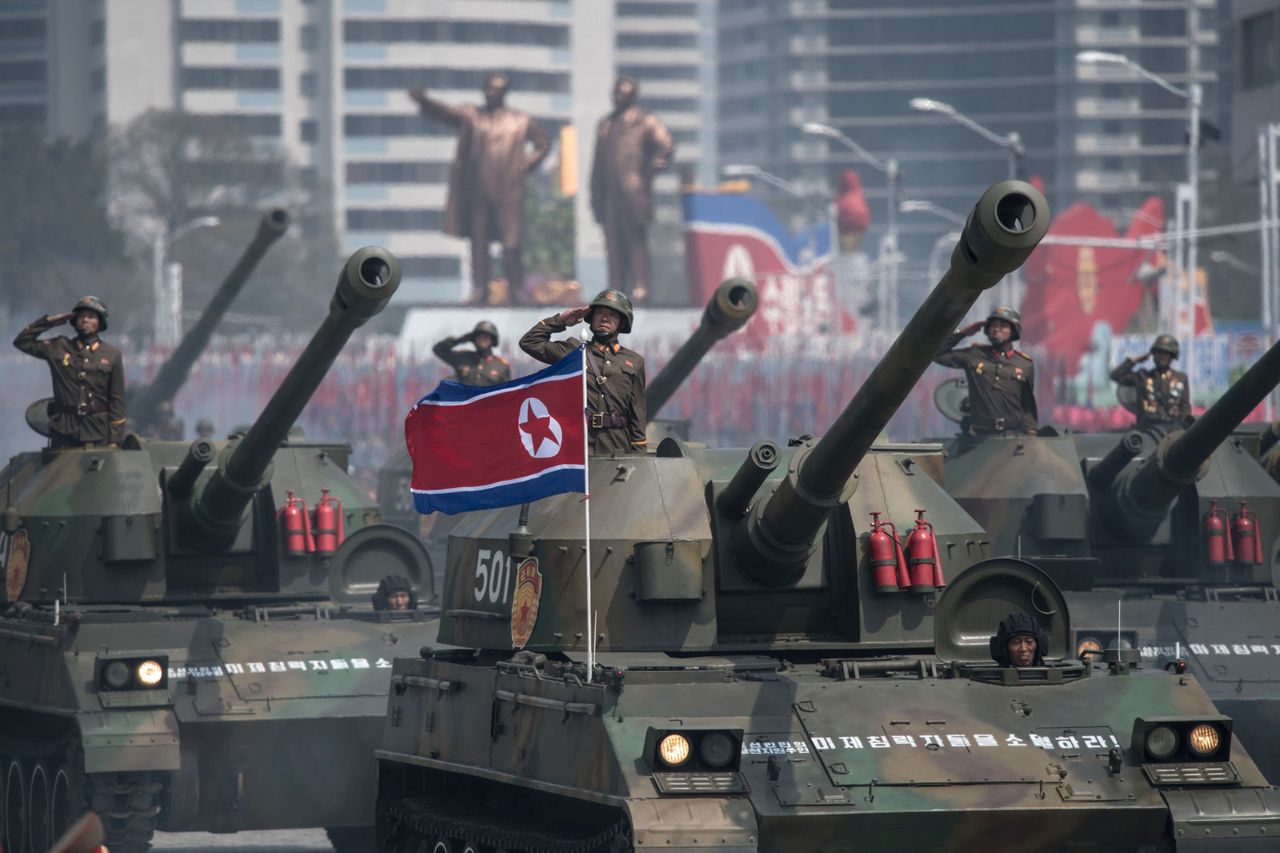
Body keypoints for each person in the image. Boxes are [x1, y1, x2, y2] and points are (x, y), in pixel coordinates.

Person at [408, 73, 551, 305]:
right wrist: (424, 101)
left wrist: (524, 165)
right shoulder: (473, 116)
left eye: (495, 90)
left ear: (505, 93)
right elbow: (447, 113)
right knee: (479, 243)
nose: (490, 93)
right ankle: (480, 290)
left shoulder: (521, 120)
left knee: (511, 244)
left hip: (509, 192)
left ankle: (516, 290)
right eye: (488, 89)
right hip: (479, 191)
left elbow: (543, 144)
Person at [519, 289, 647, 456]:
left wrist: (639, 456)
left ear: (621, 323)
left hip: (616, 445)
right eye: (599, 313)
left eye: (612, 315)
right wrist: (561, 320)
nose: (605, 318)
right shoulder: (573, 351)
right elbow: (529, 342)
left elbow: (637, 412)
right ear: (591, 319)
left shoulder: (634, 361)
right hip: (577, 442)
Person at [590, 76, 675, 304]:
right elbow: (597, 165)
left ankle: (641, 287)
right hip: (609, 195)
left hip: (634, 192)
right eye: (615, 92)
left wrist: (648, 171)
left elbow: (666, 146)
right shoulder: (605, 124)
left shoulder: (646, 121)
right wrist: (595, 196)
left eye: (622, 93)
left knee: (636, 242)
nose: (617, 97)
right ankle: (616, 289)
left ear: (632, 96)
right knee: (613, 244)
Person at [14, 296, 126, 449]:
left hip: (97, 433)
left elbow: (116, 401)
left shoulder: (112, 354)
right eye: (81, 316)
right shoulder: (59, 346)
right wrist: (50, 322)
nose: (85, 320)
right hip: (63, 432)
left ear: (100, 323)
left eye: (91, 317)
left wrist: (115, 440)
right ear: (74, 320)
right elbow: (22, 342)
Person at [933, 306, 1038, 435]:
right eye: (993, 325)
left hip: (1012, 436)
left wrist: (1031, 432)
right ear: (988, 330)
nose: (997, 328)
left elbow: (1027, 405)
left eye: (1003, 325)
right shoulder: (974, 355)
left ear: (1013, 331)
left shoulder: (1024, 364)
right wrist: (963, 333)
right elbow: (936, 354)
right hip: (979, 435)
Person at [1109, 334, 1190, 428]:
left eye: (1165, 353)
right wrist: (1134, 361)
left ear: (1172, 356)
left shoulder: (1180, 378)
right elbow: (1115, 375)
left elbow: (1185, 407)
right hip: (1147, 429)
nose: (1161, 356)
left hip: (1172, 429)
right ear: (1153, 355)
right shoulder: (1142, 376)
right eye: (1158, 353)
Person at [432, 320, 511, 387]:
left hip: (489, 404)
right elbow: (438, 349)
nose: (482, 340)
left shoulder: (501, 365)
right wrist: (459, 340)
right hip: (465, 403)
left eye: (486, 337)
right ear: (473, 339)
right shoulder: (463, 358)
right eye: (479, 337)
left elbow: (507, 392)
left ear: (492, 341)